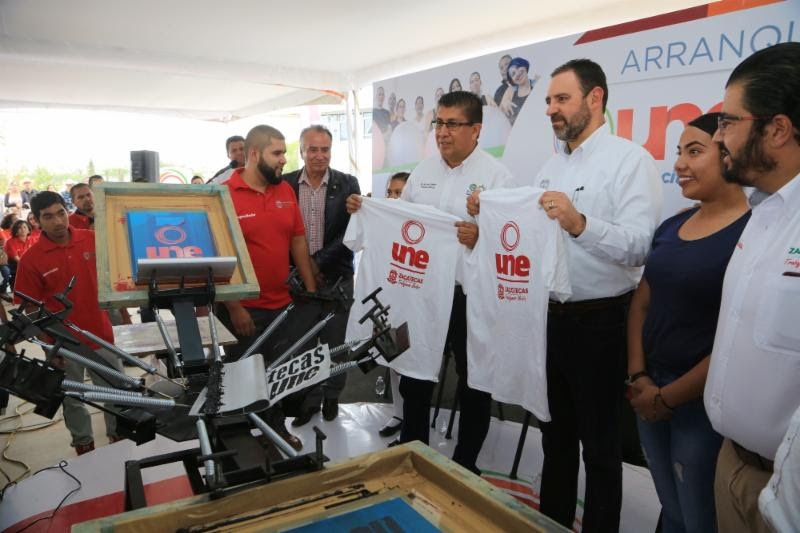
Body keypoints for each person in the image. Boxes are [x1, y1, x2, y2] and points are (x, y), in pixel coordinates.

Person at [521, 59, 661, 531]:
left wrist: (581, 224)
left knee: (601, 449)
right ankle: (552, 525)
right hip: (549, 319)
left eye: (562, 99)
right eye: (548, 101)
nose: (551, 110)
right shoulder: (548, 168)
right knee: (555, 440)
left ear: (595, 98)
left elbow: (640, 246)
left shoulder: (630, 160)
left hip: (602, 323)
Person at [347, 91, 515, 474]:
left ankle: (465, 466)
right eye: (439, 123)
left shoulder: (498, 178)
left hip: (468, 298)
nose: (442, 132)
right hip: (419, 295)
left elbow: (510, 242)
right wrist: (368, 209)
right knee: (413, 375)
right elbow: (402, 222)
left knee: (473, 382)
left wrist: (481, 236)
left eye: (453, 124)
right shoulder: (421, 173)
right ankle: (413, 456)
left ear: (476, 130)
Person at [627, 113, 750, 533]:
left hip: (701, 406)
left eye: (694, 152)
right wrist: (639, 377)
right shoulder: (672, 226)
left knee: (700, 519)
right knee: (672, 510)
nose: (679, 163)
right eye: (679, 152)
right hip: (648, 391)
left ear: (729, 154)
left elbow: (737, 341)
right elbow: (641, 305)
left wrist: (668, 397)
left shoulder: (753, 233)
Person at [702, 42, 800, 533]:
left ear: (777, 129)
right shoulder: (761, 212)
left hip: (787, 493)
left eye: (727, 122)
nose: (719, 136)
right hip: (731, 465)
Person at [218, 124, 317, 451]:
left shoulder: (285, 190)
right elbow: (219, 255)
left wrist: (311, 289)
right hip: (244, 308)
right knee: (247, 379)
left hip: (282, 305)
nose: (283, 160)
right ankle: (250, 441)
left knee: (278, 375)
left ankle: (274, 431)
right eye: (277, 153)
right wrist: (235, 306)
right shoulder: (225, 195)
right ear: (255, 154)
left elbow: (298, 240)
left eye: (284, 153)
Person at [14, 191, 124, 455]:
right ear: (36, 221)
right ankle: (84, 445)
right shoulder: (31, 259)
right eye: (48, 217)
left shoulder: (92, 240)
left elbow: (115, 278)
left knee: (116, 392)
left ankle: (120, 438)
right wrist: (48, 347)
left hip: (101, 334)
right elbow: (30, 308)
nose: (58, 222)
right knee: (73, 399)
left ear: (67, 211)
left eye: (61, 213)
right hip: (63, 344)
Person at [283, 125, 361, 425]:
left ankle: (332, 396)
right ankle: (309, 400)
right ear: (302, 151)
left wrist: (316, 263)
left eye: (325, 149)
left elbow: (351, 231)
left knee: (335, 344)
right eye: (312, 149)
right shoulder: (286, 184)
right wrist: (302, 269)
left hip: (337, 277)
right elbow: (280, 231)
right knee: (303, 345)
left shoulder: (347, 183)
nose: (319, 155)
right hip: (298, 280)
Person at [377, 171, 410, 438]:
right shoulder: (384, 222)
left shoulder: (422, 226)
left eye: (399, 193)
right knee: (392, 356)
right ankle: (398, 412)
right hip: (389, 300)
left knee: (412, 364)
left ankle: (412, 417)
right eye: (389, 192)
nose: (392, 197)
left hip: (416, 305)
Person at [499, 57, 538, 125]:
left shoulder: (537, 83)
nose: (517, 74)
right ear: (512, 80)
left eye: (518, 67)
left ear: (525, 67)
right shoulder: (511, 90)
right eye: (513, 74)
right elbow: (499, 113)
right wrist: (504, 104)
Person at [5, 219, 33, 289]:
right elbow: (17, 259)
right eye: (19, 228)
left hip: (29, 264)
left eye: (24, 227)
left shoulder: (32, 240)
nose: (23, 229)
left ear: (28, 230)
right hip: (14, 265)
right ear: (16, 231)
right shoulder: (10, 242)